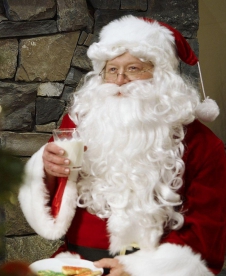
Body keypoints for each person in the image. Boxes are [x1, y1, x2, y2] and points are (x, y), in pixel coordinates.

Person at [18, 15, 226, 276]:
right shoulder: (80, 122)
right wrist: (47, 169)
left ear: (161, 77)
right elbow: (51, 194)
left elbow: (206, 234)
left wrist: (139, 269)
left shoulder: (203, 144)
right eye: (112, 69)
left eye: (134, 69)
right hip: (77, 264)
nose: (119, 80)